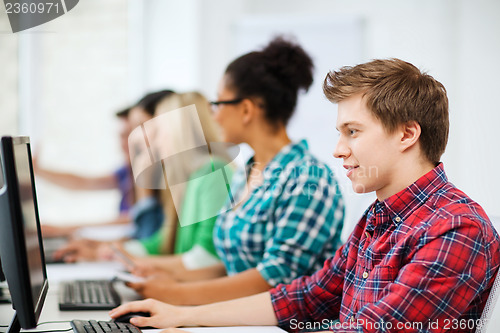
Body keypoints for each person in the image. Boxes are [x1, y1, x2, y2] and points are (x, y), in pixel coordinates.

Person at [110, 58, 500, 333]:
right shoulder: (378, 218)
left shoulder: (454, 227)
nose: (338, 149)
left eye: (352, 131)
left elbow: (373, 330)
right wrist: (182, 315)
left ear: (406, 134)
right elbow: (307, 296)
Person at [122, 37, 345, 305]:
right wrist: (169, 277)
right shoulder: (246, 172)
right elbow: (230, 267)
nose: (213, 115)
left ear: (247, 109)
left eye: (219, 103)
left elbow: (273, 278)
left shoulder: (308, 178)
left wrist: (176, 294)